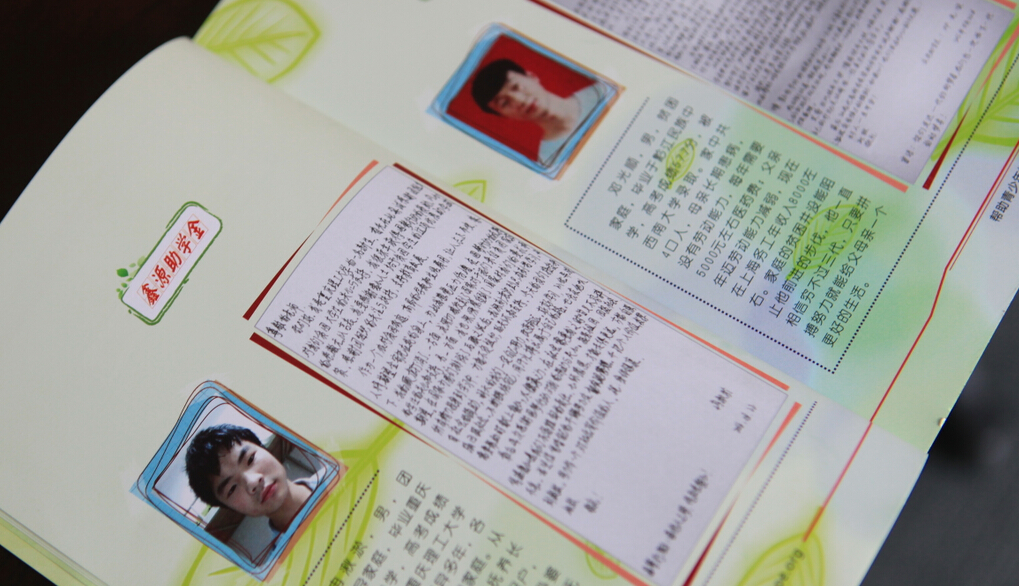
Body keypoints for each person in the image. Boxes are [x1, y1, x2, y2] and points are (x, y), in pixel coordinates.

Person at [470, 58, 605, 165]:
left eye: (516, 87)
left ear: (532, 76)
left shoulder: (601, 93)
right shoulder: (549, 160)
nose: (519, 100)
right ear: (503, 116)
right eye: (504, 103)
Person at [186, 424, 315, 533]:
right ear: (228, 507)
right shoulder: (285, 556)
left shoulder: (329, 469)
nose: (253, 482)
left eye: (250, 459)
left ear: (263, 448)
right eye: (232, 488)